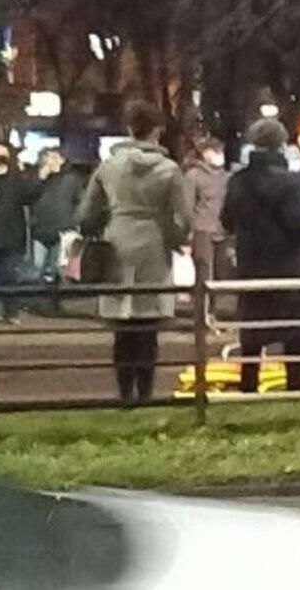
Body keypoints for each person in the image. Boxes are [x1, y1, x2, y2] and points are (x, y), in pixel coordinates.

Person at [78, 101, 192, 405]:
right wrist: (174, 238)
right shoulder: (169, 170)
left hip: (117, 242)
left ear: (129, 129)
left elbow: (86, 214)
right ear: (157, 131)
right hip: (153, 244)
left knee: (121, 327)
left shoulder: (108, 167)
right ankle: (146, 393)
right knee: (148, 326)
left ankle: (124, 393)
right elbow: (183, 218)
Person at [222, 119, 300, 393]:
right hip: (289, 268)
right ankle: (294, 390)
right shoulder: (292, 183)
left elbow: (226, 221)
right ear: (282, 145)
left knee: (251, 334)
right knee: (293, 333)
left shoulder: (239, 182)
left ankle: (248, 388)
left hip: (251, 267)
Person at [0, 142, 42, 323]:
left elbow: (31, 194)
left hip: (10, 237)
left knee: (9, 277)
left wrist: (38, 177)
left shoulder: (16, 179)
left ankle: (10, 313)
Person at [30, 148, 83, 287]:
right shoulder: (35, 178)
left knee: (60, 269)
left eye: (54, 157)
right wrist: (40, 178)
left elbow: (80, 202)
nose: (51, 161)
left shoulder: (72, 179)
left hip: (63, 231)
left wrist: (75, 223)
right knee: (36, 269)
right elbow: (26, 195)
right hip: (40, 231)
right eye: (47, 158)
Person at [183, 137, 229, 283]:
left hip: (222, 230)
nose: (219, 154)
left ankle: (213, 305)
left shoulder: (226, 177)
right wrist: (188, 234)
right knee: (204, 273)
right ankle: (203, 305)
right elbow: (187, 205)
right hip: (202, 230)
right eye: (216, 151)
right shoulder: (193, 176)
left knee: (220, 274)